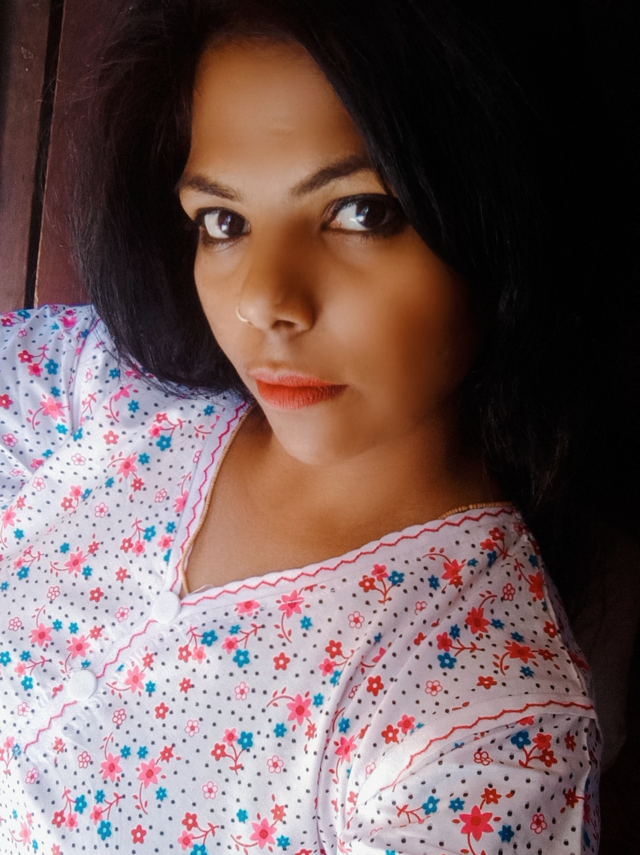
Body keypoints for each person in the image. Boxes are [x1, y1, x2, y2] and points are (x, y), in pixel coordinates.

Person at [1, 0, 636, 851]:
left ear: (503, 215)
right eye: (224, 222)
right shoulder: (103, 389)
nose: (264, 300)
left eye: (361, 213)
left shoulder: (477, 733)